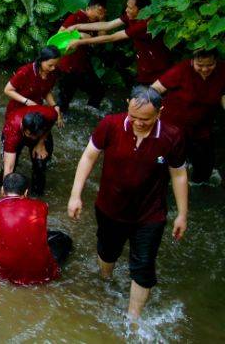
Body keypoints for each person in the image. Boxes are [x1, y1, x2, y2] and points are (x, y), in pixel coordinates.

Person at [67, 86, 188, 319]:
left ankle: (133, 321)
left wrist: (182, 213)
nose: (138, 123)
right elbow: (89, 156)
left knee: (143, 266)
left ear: (160, 113)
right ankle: (105, 282)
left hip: (150, 213)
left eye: (146, 119)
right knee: (107, 251)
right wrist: (75, 194)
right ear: (127, 106)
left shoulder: (172, 136)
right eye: (133, 117)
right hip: (110, 206)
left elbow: (179, 174)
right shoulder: (110, 125)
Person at [0, 172, 72, 285]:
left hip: (6, 275)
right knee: (62, 238)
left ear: (2, 190)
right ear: (26, 192)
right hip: (44, 274)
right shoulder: (41, 206)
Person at [67, 0, 172, 85]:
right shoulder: (132, 15)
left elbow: (112, 37)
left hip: (157, 66)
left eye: (130, 8)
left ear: (142, 10)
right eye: (127, 6)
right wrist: (77, 26)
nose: (126, 10)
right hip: (144, 63)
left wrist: (80, 42)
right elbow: (108, 25)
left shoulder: (144, 24)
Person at [151, 49, 225, 183]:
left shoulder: (222, 71)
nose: (205, 69)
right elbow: (154, 89)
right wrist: (152, 114)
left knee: (204, 166)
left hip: (201, 128)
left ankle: (200, 188)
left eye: (210, 65)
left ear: (216, 61)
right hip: (173, 128)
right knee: (162, 163)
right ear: (192, 61)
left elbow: (222, 93)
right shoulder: (181, 70)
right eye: (200, 65)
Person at [55, 0, 107, 114]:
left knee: (98, 91)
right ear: (89, 8)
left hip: (83, 65)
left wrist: (102, 20)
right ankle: (59, 121)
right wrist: (79, 35)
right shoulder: (76, 17)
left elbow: (102, 39)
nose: (99, 15)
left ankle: (89, 115)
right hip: (68, 66)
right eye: (99, 12)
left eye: (102, 13)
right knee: (64, 100)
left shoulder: (95, 21)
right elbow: (59, 36)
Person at [0, 105, 57, 195]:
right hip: (16, 133)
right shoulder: (12, 130)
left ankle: (37, 196)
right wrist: (7, 189)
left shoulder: (50, 114)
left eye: (35, 136)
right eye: (31, 135)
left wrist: (41, 142)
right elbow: (9, 166)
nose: (33, 138)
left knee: (40, 165)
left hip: (41, 137)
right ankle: (2, 187)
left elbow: (51, 123)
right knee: (7, 168)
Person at [3, 46, 63, 127]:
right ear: (41, 60)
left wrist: (55, 107)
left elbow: (46, 91)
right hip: (17, 110)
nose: (53, 68)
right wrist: (27, 102)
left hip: (36, 110)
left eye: (55, 65)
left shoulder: (52, 73)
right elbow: (7, 90)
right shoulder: (25, 71)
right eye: (50, 65)